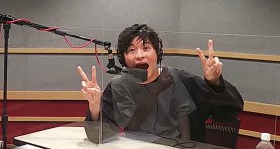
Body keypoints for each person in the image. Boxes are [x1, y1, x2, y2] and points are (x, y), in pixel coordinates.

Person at [77, 24, 243, 141]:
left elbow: (231, 110)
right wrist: (94, 105)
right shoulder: (118, 86)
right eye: (131, 50)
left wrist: (215, 82)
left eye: (146, 48)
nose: (139, 55)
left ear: (158, 54)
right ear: (123, 59)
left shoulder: (179, 79)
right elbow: (99, 137)